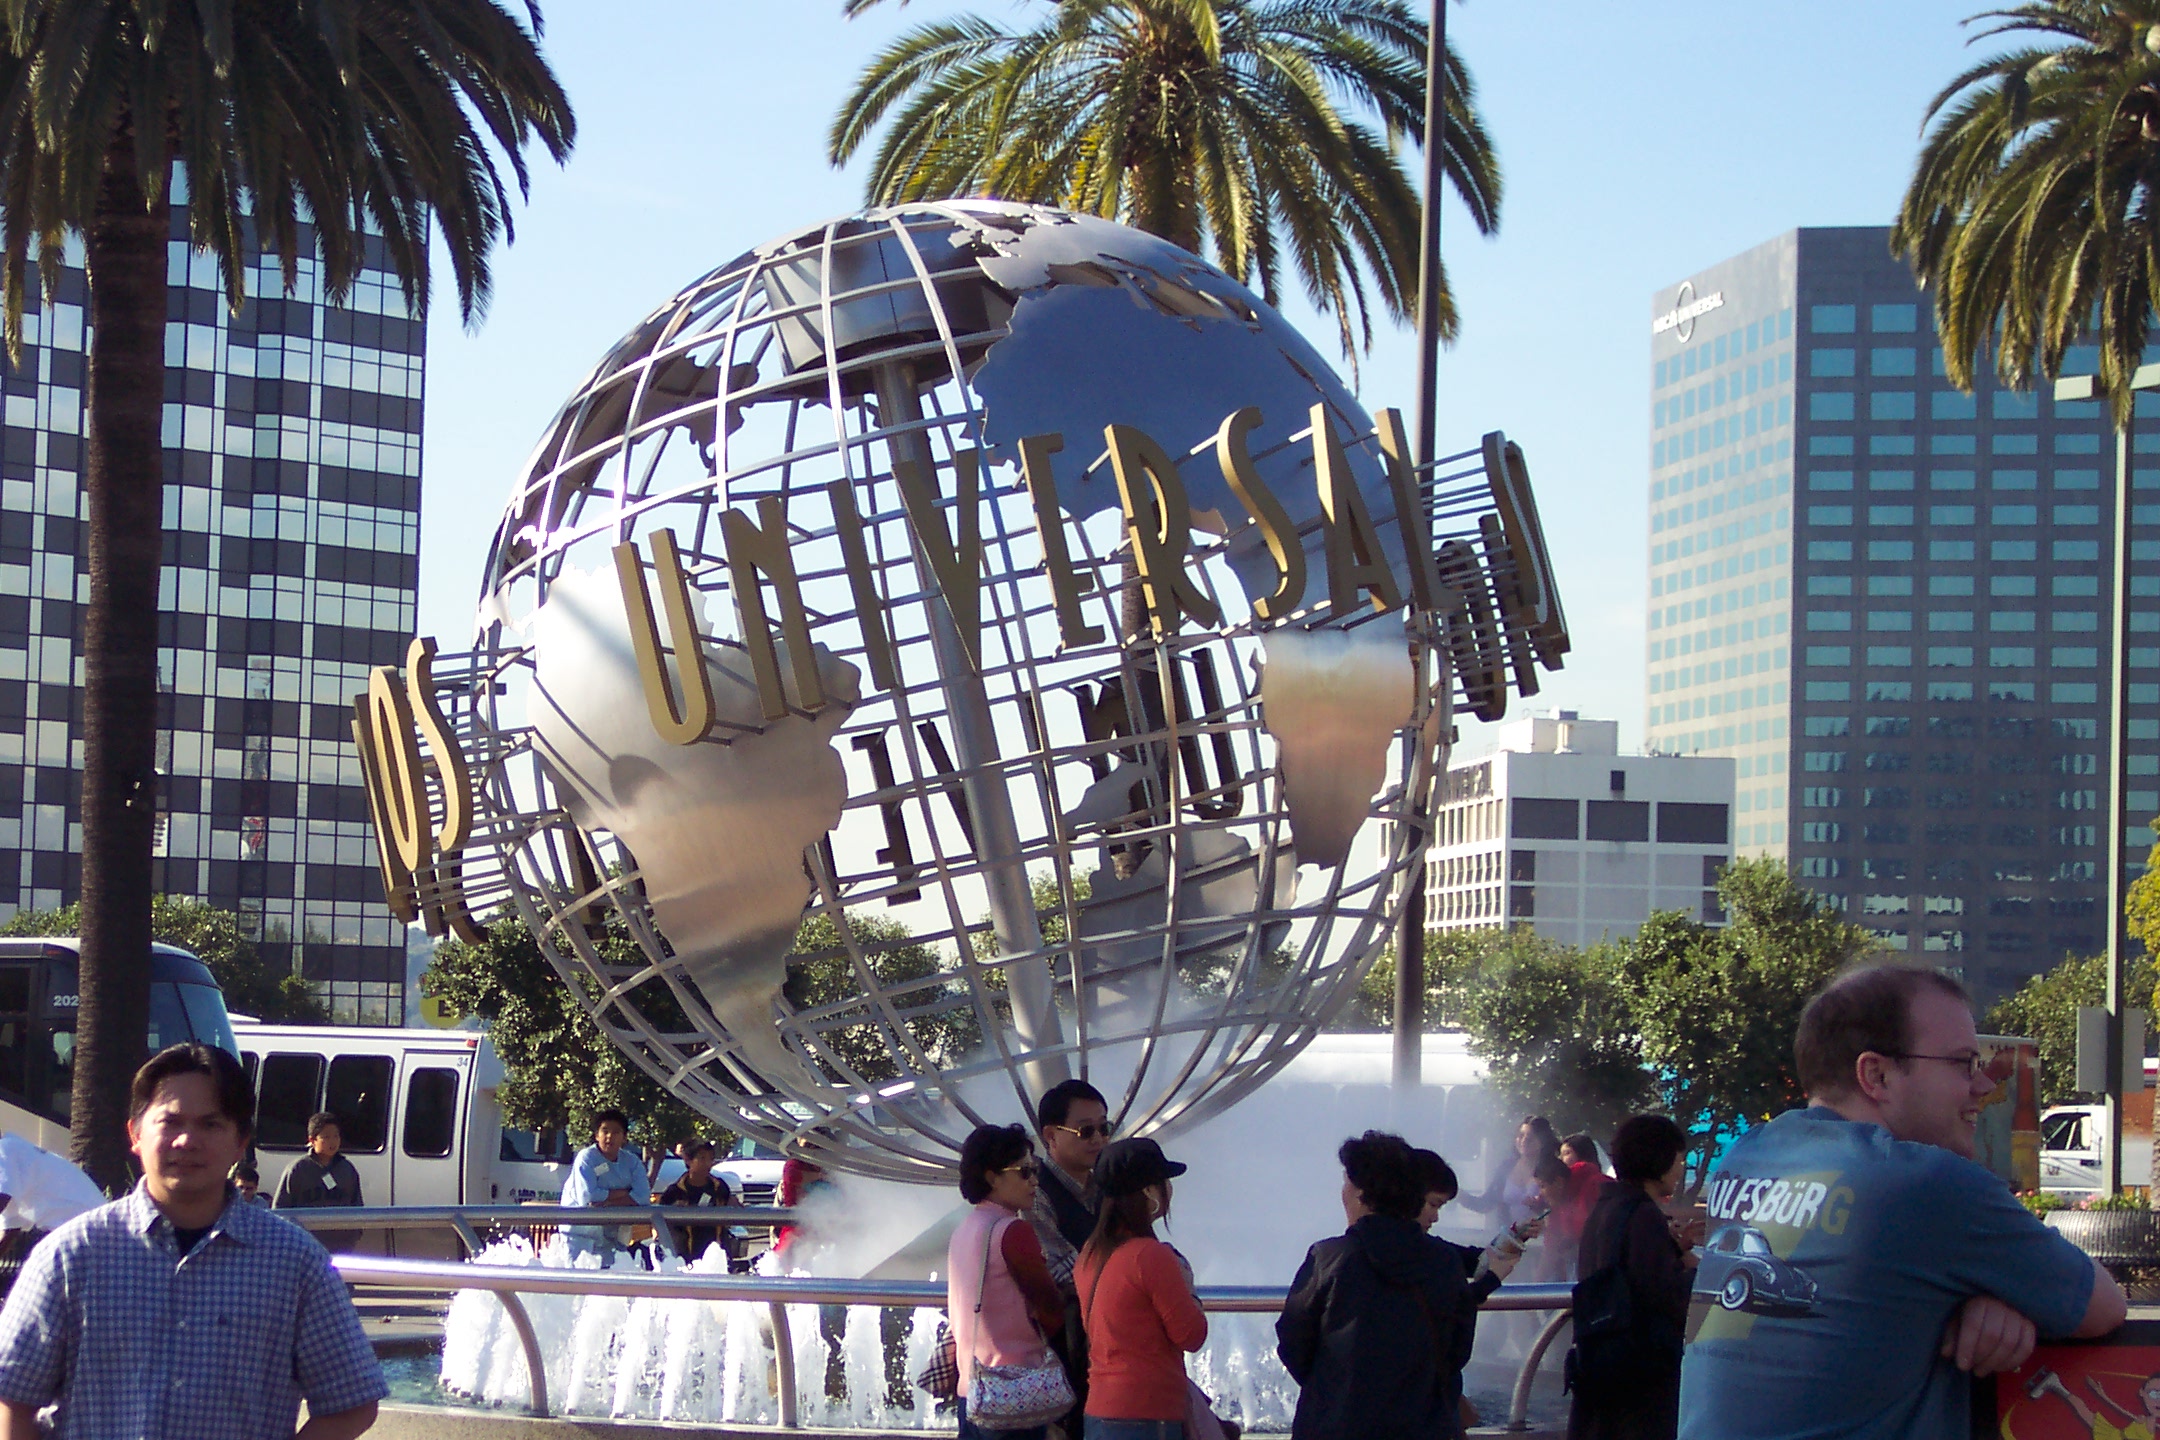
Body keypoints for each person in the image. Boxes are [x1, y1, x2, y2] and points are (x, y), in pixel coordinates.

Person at [1678, 965, 2128, 1439]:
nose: (1984, 1086)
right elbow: (2105, 1306)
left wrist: (1986, 1294)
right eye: (1963, 1063)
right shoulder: (1927, 1184)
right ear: (1877, 1075)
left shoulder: (1747, 1156)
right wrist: (2005, 1293)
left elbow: (1861, 1297)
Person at [0, 1042, 386, 1439]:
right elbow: (12, 1397)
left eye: (210, 1124)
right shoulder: (70, 1256)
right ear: (135, 1133)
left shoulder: (295, 1263)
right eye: (170, 1122)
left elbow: (352, 1401)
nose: (187, 1140)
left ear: (240, 1142)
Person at [1278, 1132, 1470, 1440]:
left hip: (1338, 1427)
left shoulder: (1329, 1258)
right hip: (1423, 1428)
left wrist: (1332, 1390)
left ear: (1361, 1192)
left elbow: (1293, 1342)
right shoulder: (1446, 1261)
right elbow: (1457, 1350)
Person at [1567, 1114, 1699, 1440]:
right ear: (1658, 1159)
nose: (1680, 1169)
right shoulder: (1643, 1214)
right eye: (1678, 1160)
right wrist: (1695, 1269)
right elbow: (1665, 1295)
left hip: (1601, 1362)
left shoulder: (1608, 1206)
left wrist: (1672, 1247)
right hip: (1639, 1378)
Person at [1076, 1136, 1207, 1440]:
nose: (1169, 1189)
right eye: (1163, 1182)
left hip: (1100, 1409)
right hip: (1147, 1412)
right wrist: (1189, 1292)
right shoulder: (1150, 1255)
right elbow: (1191, 1335)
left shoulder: (1089, 1255)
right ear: (1149, 1192)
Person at [949, 1124, 1064, 1440]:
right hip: (1015, 1390)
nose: (1034, 1181)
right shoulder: (1012, 1231)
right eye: (1024, 1172)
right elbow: (1049, 1305)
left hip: (972, 1390)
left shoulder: (964, 1230)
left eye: (1034, 1170)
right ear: (992, 1177)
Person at [1028, 1078, 1110, 1432]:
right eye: (1085, 1130)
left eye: (1104, 1128)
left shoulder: (1106, 1187)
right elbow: (1061, 1269)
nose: (1098, 1139)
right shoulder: (1034, 1193)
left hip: (1103, 1356)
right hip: (1061, 1360)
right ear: (1051, 1135)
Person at [559, 1108, 650, 1268]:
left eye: (616, 1132)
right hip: (579, 1237)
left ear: (624, 1137)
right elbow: (588, 1197)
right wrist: (626, 1193)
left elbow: (643, 1197)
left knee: (612, 1280)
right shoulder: (586, 1157)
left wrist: (607, 1201)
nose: (609, 1137)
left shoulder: (632, 1162)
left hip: (612, 1238)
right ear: (596, 1135)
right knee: (578, 1280)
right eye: (605, 1131)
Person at [274, 1111, 364, 1252]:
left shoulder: (347, 1169)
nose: (333, 1141)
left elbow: (357, 1205)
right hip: (305, 1245)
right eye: (326, 1137)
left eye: (336, 1136)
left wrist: (354, 1235)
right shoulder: (298, 1169)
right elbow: (280, 1209)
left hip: (341, 1246)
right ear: (312, 1140)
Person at [1462, 1115, 1559, 1230]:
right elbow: (1485, 1204)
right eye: (1520, 1136)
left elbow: (1562, 1208)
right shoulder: (1507, 1167)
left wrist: (1538, 1207)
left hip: (1544, 1237)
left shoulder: (1554, 1169)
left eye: (1530, 1137)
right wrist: (1458, 1195)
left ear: (1543, 1141)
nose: (1524, 1141)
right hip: (1509, 1237)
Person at [659, 1138, 735, 1263]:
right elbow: (660, 1222)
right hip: (684, 1258)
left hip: (716, 1256)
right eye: (702, 1158)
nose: (708, 1163)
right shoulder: (674, 1192)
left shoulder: (719, 1187)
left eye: (711, 1159)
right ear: (687, 1160)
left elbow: (731, 1214)